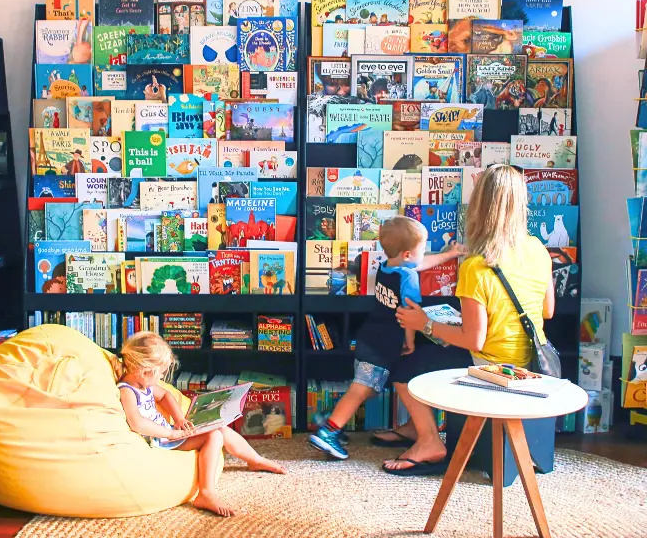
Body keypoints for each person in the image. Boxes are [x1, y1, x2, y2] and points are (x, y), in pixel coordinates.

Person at [375, 165, 555, 475]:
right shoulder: (538, 248)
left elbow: (474, 341)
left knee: (404, 367)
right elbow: (547, 311)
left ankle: (429, 441)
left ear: (480, 208)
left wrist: (425, 324)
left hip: (491, 364)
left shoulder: (475, 266)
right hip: (526, 359)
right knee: (429, 351)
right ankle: (413, 426)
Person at [309, 216, 465, 460]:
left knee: (367, 389)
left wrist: (449, 254)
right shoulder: (409, 278)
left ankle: (331, 417)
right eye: (421, 248)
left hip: (370, 336)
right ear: (406, 254)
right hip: (385, 344)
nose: (424, 252)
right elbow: (410, 315)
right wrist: (410, 341)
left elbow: (418, 264)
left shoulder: (387, 265)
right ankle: (329, 431)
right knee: (361, 390)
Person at [116, 333, 286, 517]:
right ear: (144, 370)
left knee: (218, 427)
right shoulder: (127, 391)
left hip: (169, 435)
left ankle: (255, 460)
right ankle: (206, 493)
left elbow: (166, 396)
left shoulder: (144, 385)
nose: (162, 377)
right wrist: (171, 434)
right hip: (160, 442)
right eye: (161, 372)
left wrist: (179, 419)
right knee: (213, 435)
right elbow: (137, 423)